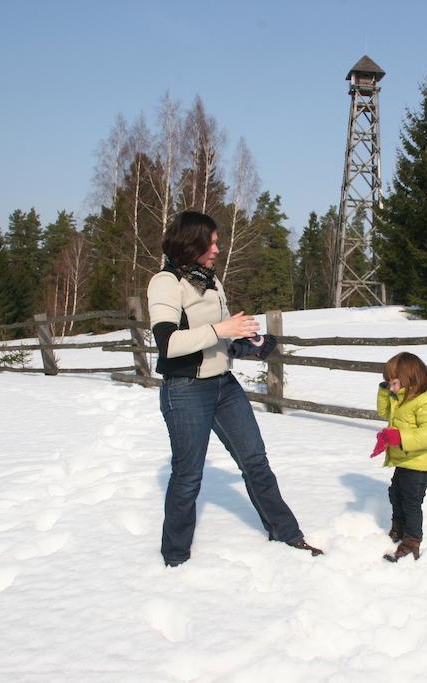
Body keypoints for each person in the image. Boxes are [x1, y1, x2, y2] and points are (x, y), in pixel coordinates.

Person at [147, 210, 322, 567]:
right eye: (210, 242)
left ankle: (287, 534)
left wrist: (250, 342)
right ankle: (175, 558)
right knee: (188, 475)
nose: (217, 248)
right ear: (190, 242)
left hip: (223, 386)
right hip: (185, 390)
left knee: (255, 461)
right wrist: (221, 331)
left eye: (216, 242)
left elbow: (219, 340)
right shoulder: (165, 282)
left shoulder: (210, 282)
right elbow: (168, 344)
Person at [372, 352, 427, 562]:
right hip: (404, 459)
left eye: (393, 382)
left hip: (420, 462)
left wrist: (400, 436)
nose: (390, 386)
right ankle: (398, 529)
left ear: (410, 378)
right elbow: (384, 413)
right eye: (388, 382)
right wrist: (385, 391)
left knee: (411, 503)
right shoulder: (401, 396)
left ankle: (412, 541)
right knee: (396, 495)